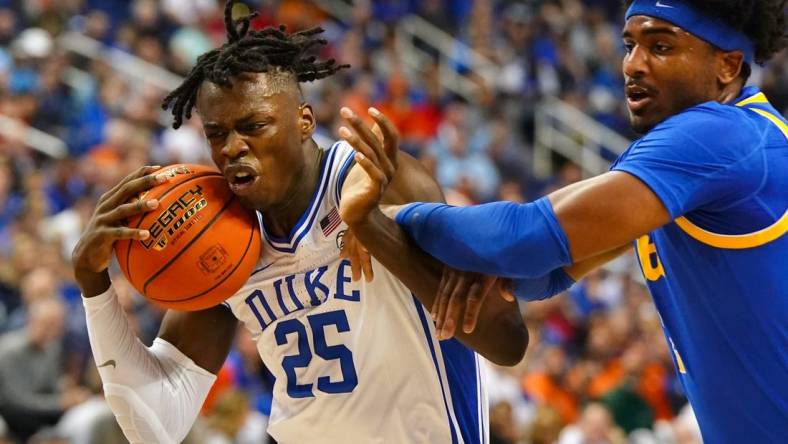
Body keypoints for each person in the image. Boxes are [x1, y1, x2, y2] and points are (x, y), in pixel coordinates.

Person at [70, 1, 527, 443]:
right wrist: (93, 284)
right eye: (216, 134)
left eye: (253, 126)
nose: (231, 147)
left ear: (304, 121)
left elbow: (506, 342)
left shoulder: (378, 177)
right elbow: (157, 426)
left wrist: (371, 227)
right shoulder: (220, 241)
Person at [343, 0, 787, 442]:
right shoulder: (697, 152)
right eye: (629, 44)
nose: (633, 64)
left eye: (661, 47)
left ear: (728, 66)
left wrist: (395, 216)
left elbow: (524, 238)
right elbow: (544, 273)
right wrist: (485, 267)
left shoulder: (721, 137)